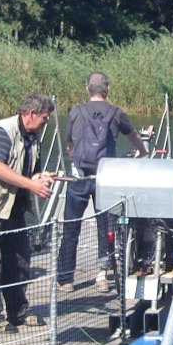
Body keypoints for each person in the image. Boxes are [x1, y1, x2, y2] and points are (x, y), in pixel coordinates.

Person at [0, 93, 56, 333]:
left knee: (19, 258)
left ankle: (18, 312)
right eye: (44, 118)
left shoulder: (34, 137)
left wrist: (40, 177)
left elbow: (30, 172)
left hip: (14, 205)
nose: (46, 122)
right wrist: (31, 185)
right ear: (31, 114)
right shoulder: (3, 131)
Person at [56, 72, 148, 292]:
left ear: (87, 89)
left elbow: (69, 142)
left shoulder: (76, 112)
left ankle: (65, 279)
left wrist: (74, 156)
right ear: (107, 90)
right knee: (105, 227)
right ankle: (101, 276)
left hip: (79, 176)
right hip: (106, 177)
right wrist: (142, 152)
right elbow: (133, 136)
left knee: (71, 226)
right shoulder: (116, 113)